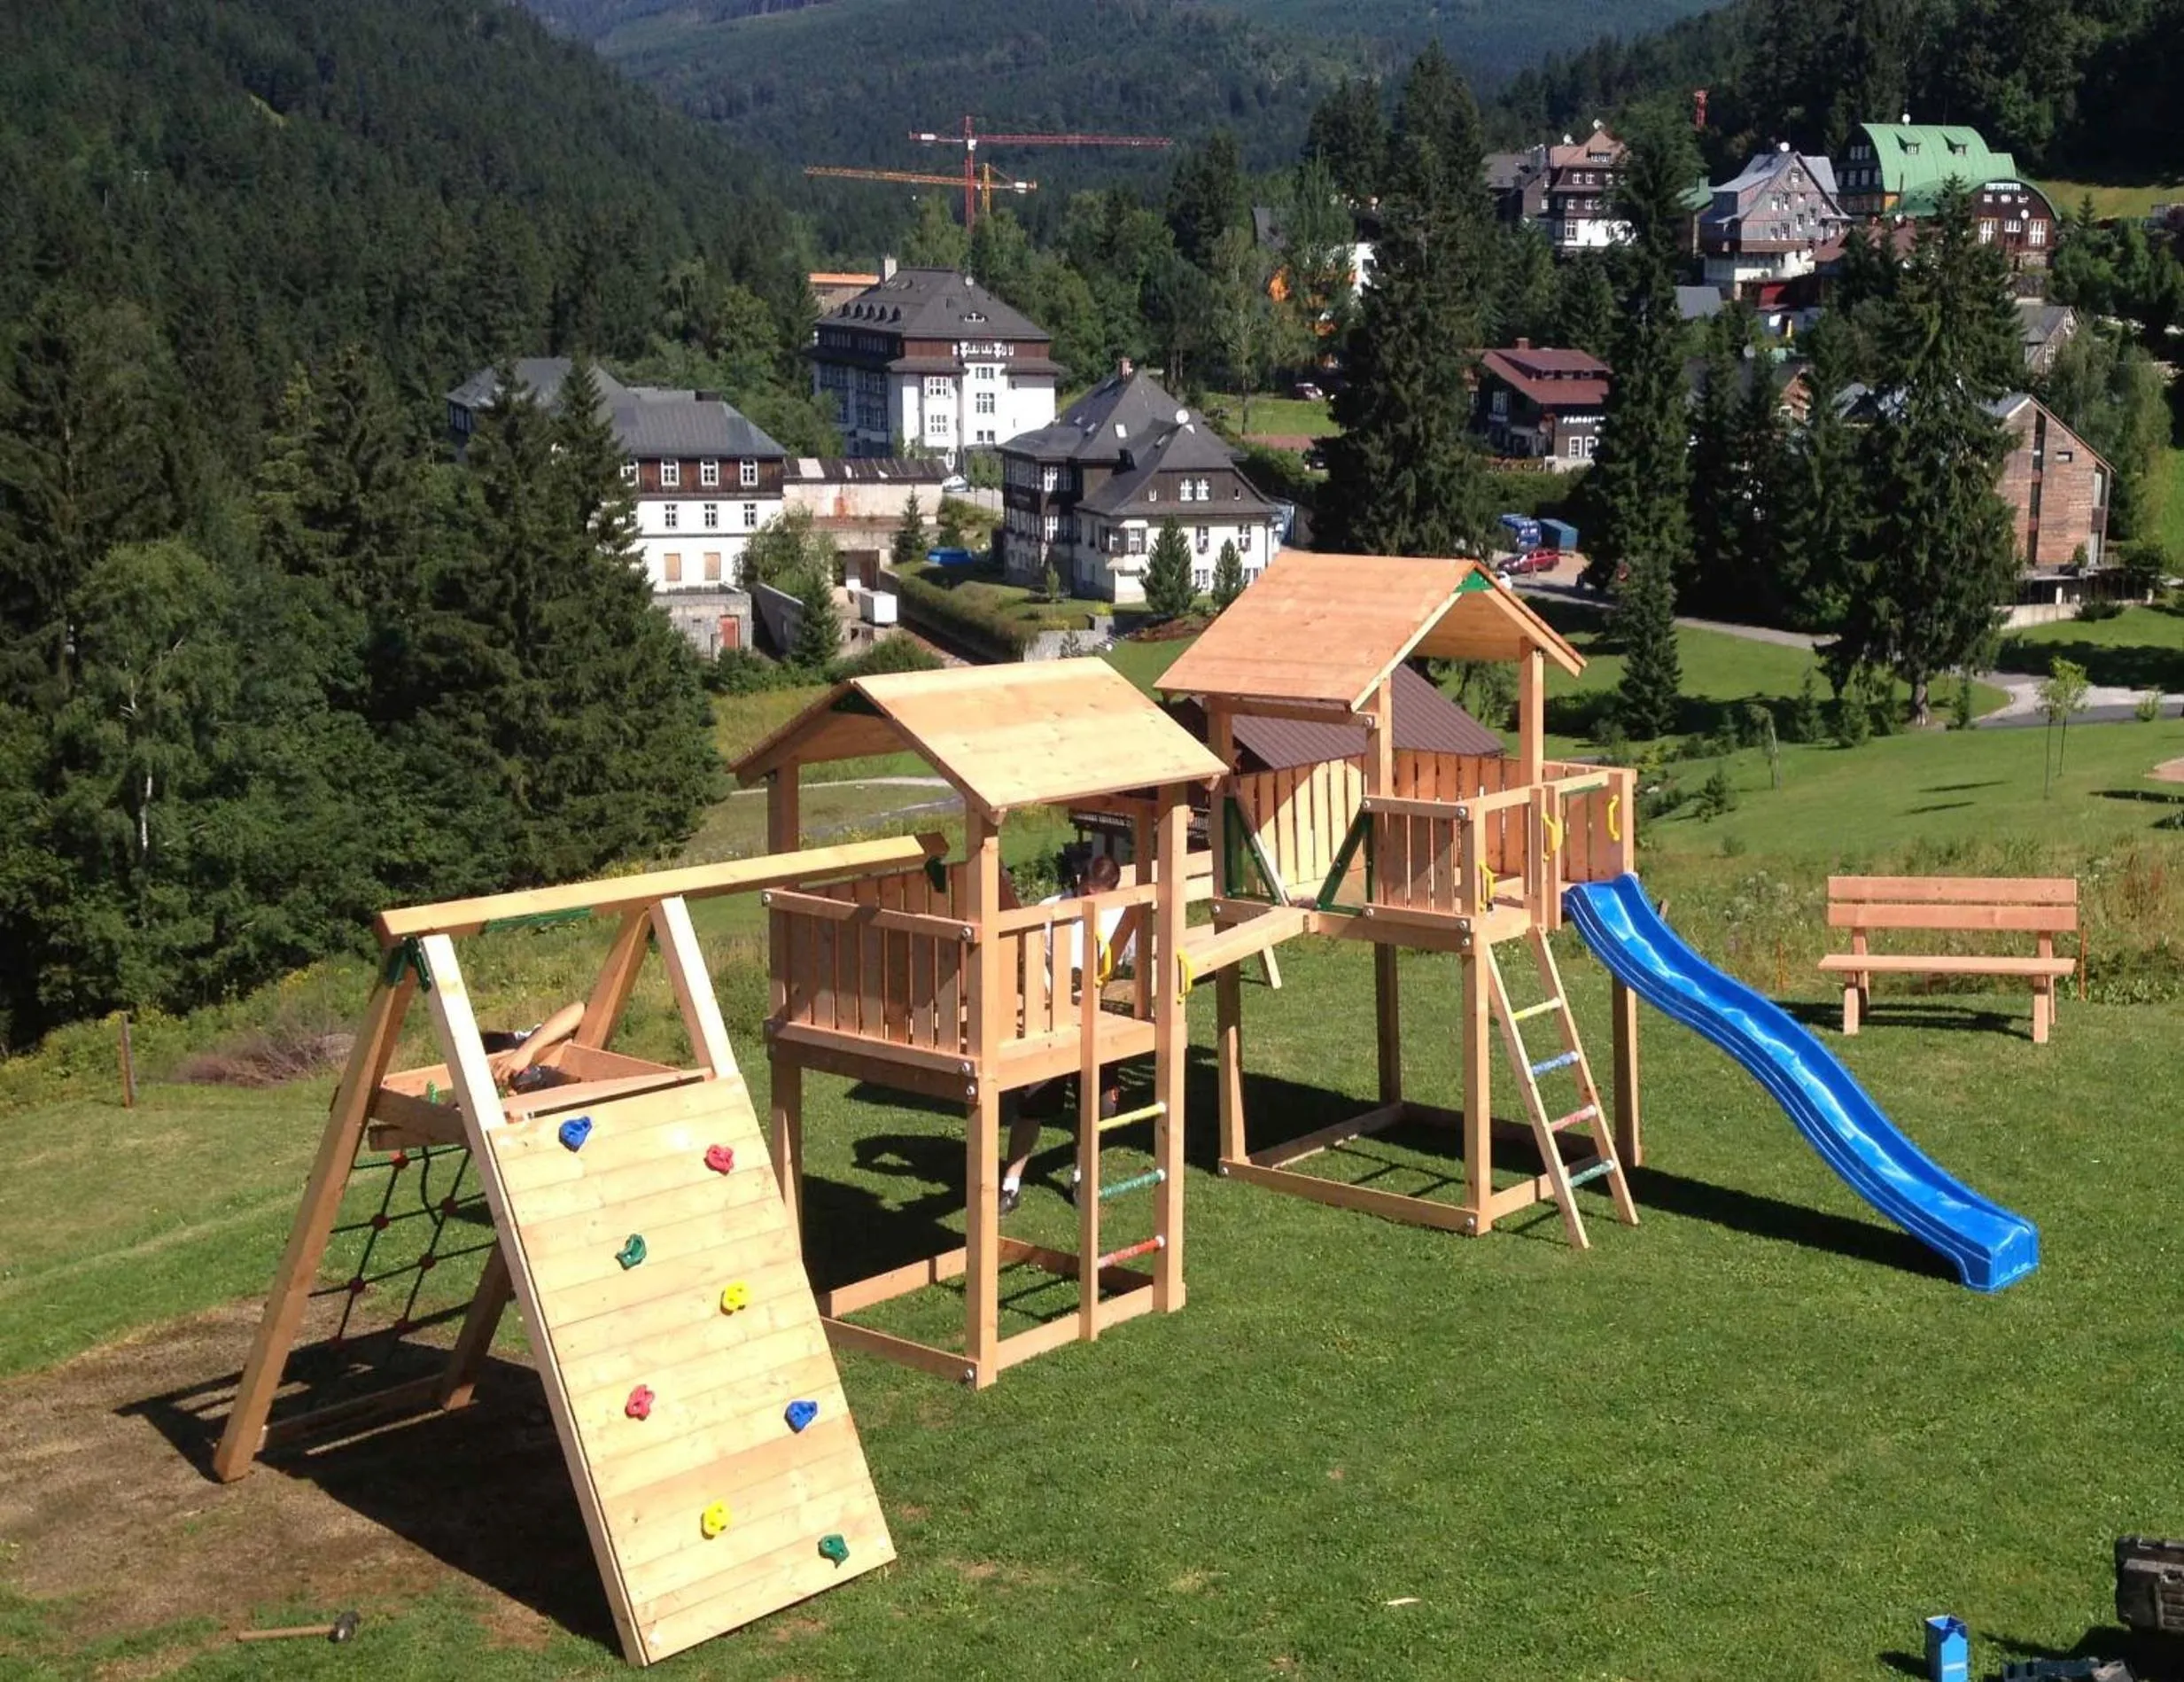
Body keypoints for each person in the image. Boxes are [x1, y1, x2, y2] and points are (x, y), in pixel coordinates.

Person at [999, 852, 1132, 1216]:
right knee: (1034, 1101)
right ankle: (1010, 1184)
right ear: (1079, 882)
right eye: (1086, 890)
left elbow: (1132, 967)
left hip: (1098, 1022)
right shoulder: (1051, 908)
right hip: (1052, 1021)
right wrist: (1047, 987)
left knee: (1099, 1104)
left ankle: (1081, 1175)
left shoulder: (1123, 913)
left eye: (1098, 894)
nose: (1090, 900)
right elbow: (1031, 958)